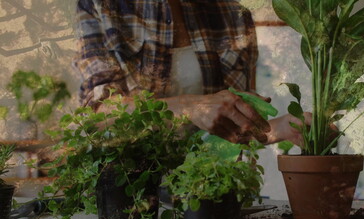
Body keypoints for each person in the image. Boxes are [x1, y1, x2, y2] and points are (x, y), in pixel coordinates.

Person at [72, 0, 305, 146]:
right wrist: (189, 107)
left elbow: (232, 124)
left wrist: (280, 127)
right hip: (131, 193)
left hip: (203, 189)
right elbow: (99, 114)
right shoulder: (101, 5)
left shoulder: (232, 13)